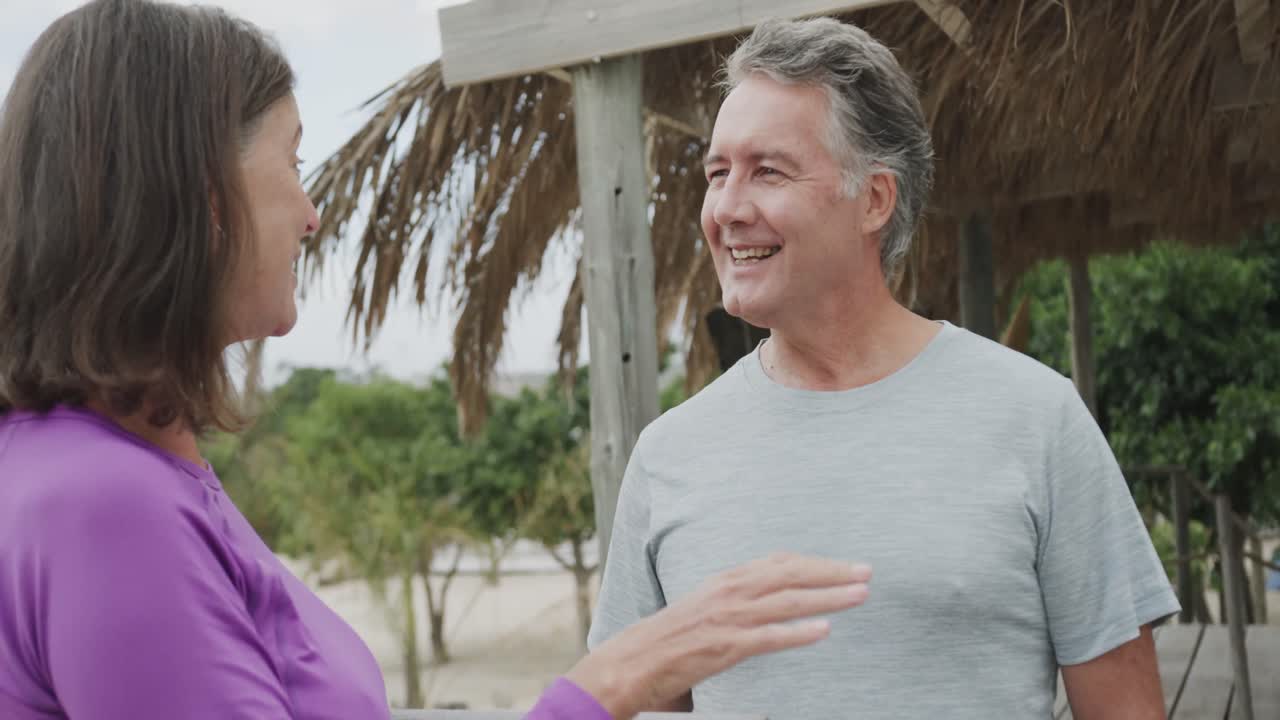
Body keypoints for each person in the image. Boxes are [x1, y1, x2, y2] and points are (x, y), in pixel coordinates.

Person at [0, 2, 874, 719]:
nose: (310, 213)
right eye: (292, 163)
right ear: (200, 199)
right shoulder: (105, 508)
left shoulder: (111, 472)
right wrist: (605, 687)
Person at [589, 16, 1181, 720]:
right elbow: (628, 702)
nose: (726, 209)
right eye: (718, 173)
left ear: (873, 199)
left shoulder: (1037, 418)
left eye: (767, 171)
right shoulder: (667, 457)